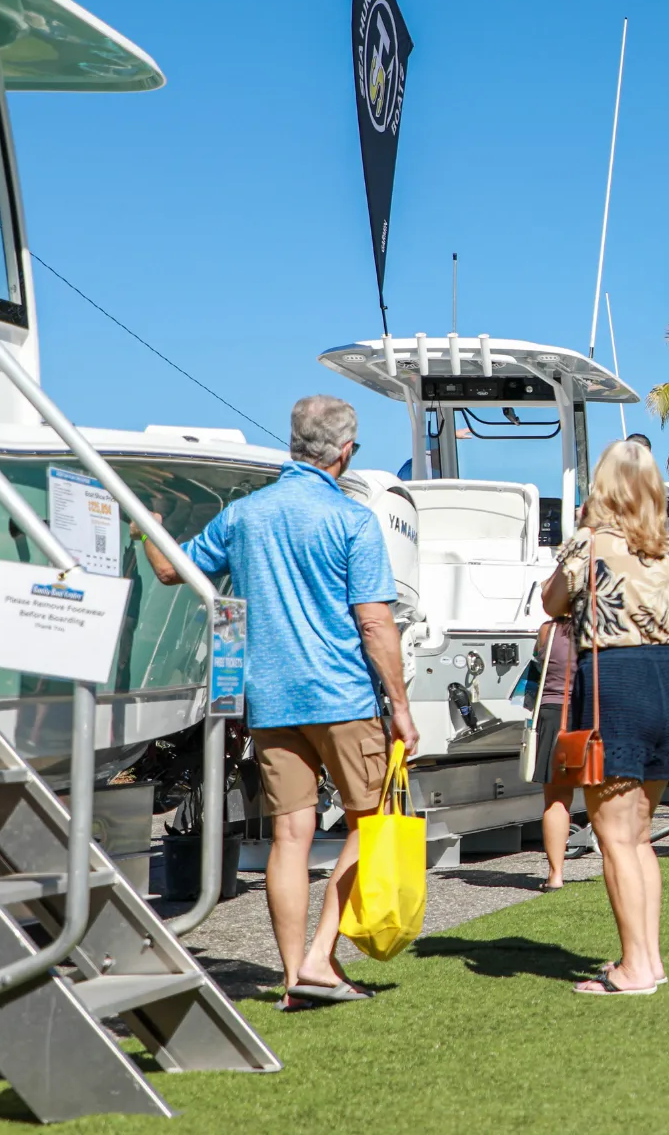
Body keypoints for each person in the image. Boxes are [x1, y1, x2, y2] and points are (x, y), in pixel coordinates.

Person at [138, 395, 415, 1008]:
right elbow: (374, 623)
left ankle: (294, 979)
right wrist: (400, 702)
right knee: (372, 823)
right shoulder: (351, 520)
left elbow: (169, 569)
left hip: (270, 700)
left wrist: (147, 519)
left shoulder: (245, 516)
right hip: (342, 696)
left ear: (295, 445)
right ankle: (320, 958)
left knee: (291, 835)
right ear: (346, 453)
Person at [540, 440, 669, 996]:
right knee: (639, 836)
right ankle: (648, 959)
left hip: (615, 681)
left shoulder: (588, 545)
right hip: (668, 681)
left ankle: (634, 967)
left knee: (614, 836)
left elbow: (551, 604)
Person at [527, 617, 578, 891]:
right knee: (604, 799)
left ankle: (555, 875)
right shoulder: (606, 625)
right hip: (589, 714)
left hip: (554, 713)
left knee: (556, 799)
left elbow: (538, 662)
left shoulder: (549, 629)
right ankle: (620, 867)